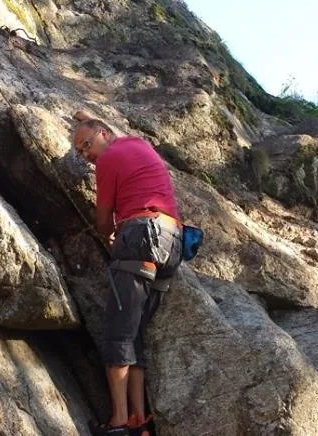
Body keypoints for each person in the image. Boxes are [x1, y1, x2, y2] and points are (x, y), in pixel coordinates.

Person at [71, 112, 182, 436]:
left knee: (118, 333)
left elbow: (103, 218)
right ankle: (138, 420)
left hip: (141, 235)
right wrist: (84, 118)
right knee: (134, 333)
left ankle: (118, 421)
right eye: (79, 151)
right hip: (173, 243)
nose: (85, 155)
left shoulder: (107, 160)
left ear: (104, 134)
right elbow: (100, 127)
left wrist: (108, 235)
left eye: (86, 145)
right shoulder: (138, 145)